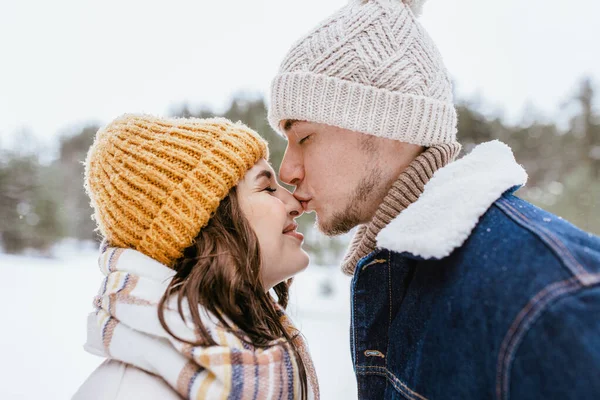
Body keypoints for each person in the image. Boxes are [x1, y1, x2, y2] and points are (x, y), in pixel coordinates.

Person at [267, 0, 600, 399]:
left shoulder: (546, 295)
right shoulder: (396, 273)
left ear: (388, 124)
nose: (286, 172)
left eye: (304, 137)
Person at [73, 114, 320, 400]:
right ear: (206, 222)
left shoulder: (265, 355)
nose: (294, 204)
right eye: (266, 188)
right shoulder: (127, 392)